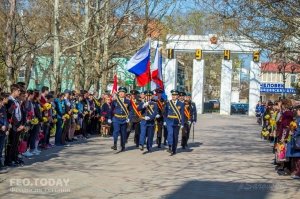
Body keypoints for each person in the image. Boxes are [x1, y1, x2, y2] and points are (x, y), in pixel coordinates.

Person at [5, 84, 25, 167]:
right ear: (14, 91)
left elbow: (19, 113)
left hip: (18, 125)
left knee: (16, 143)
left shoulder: (16, 100)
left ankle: (14, 158)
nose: (19, 92)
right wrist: (17, 125)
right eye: (18, 91)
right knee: (11, 143)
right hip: (13, 125)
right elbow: (10, 114)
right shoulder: (9, 100)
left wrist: (21, 124)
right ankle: (8, 160)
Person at [110, 87, 132, 151]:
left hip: (124, 119)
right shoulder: (114, 101)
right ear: (118, 93)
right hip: (116, 118)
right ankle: (115, 144)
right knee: (116, 131)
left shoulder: (128, 101)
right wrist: (110, 118)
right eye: (120, 92)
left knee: (123, 133)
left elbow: (131, 110)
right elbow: (111, 110)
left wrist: (129, 118)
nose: (121, 93)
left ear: (125, 94)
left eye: (123, 92)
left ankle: (123, 145)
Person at [164, 89, 184, 155]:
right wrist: (165, 121)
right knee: (170, 133)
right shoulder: (168, 103)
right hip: (169, 121)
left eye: (175, 95)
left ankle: (174, 149)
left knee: (175, 136)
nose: (173, 96)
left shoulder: (181, 104)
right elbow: (165, 112)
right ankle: (170, 146)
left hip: (177, 121)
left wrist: (182, 123)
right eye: (173, 95)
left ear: (177, 96)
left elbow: (182, 114)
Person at [286, 106, 300, 179]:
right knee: (296, 158)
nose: (297, 112)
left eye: (298, 110)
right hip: (297, 139)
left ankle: (298, 173)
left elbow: (299, 130)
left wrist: (293, 133)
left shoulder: (299, 120)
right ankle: (296, 172)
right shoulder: (297, 119)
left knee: (298, 158)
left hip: (298, 140)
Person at [0, 93, 9, 173]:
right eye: (7, 98)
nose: (8, 99)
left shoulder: (3, 107)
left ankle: (0, 164)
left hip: (3, 131)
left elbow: (5, 119)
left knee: (1, 148)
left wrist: (6, 127)